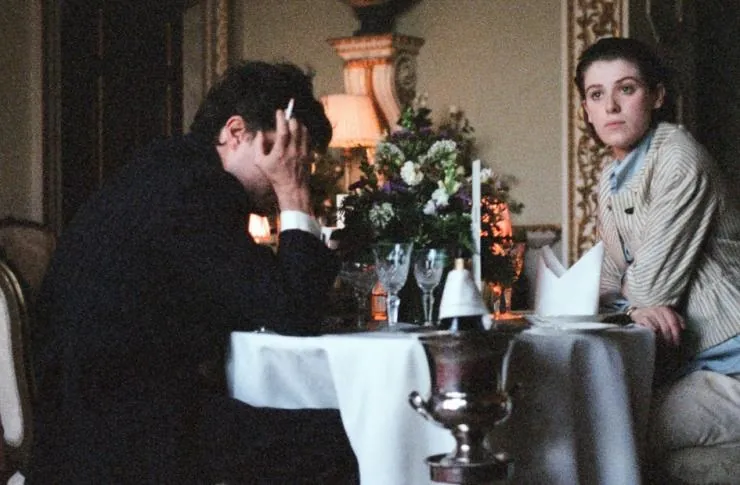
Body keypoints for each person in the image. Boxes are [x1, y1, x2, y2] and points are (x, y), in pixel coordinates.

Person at [26, 61, 359, 484]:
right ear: (236, 132)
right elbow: (293, 314)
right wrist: (293, 193)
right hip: (120, 435)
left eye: (300, 163)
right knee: (349, 437)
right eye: (284, 153)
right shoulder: (198, 191)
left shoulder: (169, 168)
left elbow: (246, 295)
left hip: (87, 418)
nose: (291, 170)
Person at [575, 36, 740, 478]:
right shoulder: (611, 175)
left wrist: (632, 302)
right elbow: (606, 277)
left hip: (732, 365)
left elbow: (649, 288)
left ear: (657, 96)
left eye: (626, 89)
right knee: (586, 413)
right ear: (586, 110)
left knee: (613, 431)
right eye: (596, 95)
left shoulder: (679, 158)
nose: (611, 106)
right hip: (693, 366)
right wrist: (631, 305)